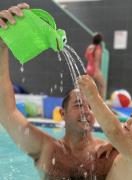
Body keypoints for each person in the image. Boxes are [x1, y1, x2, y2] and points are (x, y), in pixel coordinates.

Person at [0, 4, 118, 180]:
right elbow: (7, 112)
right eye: (78, 104)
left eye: (91, 107)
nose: (87, 111)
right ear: (62, 113)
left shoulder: (109, 155)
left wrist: (124, 142)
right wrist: (1, 46)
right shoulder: (46, 149)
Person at [85, 33, 106, 98]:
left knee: (90, 87)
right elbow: (96, 60)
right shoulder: (98, 48)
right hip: (95, 69)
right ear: (100, 41)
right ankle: (101, 103)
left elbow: (86, 56)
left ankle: (89, 102)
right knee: (102, 86)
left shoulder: (89, 47)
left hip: (88, 68)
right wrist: (96, 72)